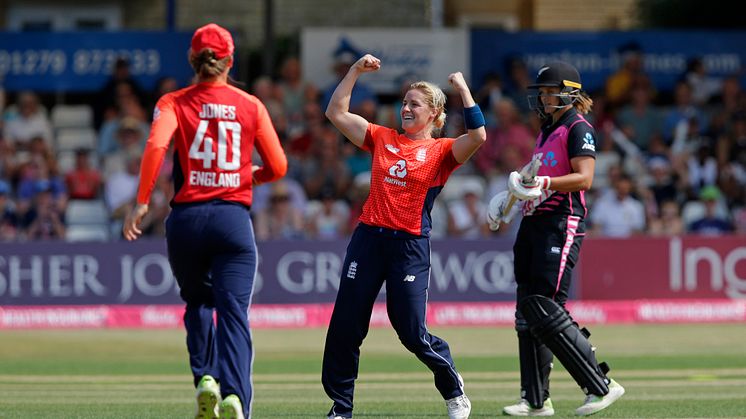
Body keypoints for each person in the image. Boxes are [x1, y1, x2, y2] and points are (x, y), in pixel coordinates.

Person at [122, 23, 287, 419]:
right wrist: (247, 176)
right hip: (232, 219)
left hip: (187, 220)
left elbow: (156, 147)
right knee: (233, 313)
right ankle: (236, 399)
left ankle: (205, 379)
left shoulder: (174, 101)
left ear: (192, 60)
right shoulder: (250, 105)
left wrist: (142, 202)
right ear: (230, 60)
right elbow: (278, 166)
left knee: (197, 301)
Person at [322, 53, 486, 419]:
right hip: (368, 240)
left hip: (409, 245)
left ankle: (453, 389)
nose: (405, 109)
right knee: (346, 326)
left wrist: (462, 89)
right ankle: (340, 407)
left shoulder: (442, 151)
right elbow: (335, 112)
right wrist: (353, 71)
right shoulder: (382, 138)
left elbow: (478, 135)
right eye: (404, 103)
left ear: (433, 114)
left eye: (414, 104)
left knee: (411, 330)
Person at [487, 61, 625, 416]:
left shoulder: (578, 127)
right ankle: (535, 399)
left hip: (561, 223)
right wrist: (510, 200)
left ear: (567, 92)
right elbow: (533, 181)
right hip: (533, 223)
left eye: (549, 92)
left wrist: (544, 184)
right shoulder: (546, 131)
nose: (543, 98)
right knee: (526, 312)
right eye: (541, 93)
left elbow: (584, 178)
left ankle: (600, 384)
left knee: (544, 307)